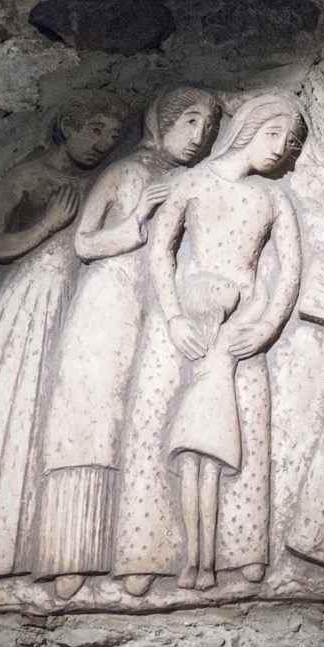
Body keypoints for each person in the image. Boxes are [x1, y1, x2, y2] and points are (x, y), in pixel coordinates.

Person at [33, 87, 221, 601]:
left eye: (207, 126)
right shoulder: (124, 173)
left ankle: (140, 556)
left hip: (159, 313)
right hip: (108, 307)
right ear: (161, 122)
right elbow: (83, 242)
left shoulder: (193, 182)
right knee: (90, 423)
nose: (199, 135)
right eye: (189, 121)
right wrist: (136, 220)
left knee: (148, 430)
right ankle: (69, 557)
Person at [0, 94, 126, 600]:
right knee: (10, 417)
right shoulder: (30, 176)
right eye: (95, 128)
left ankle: (58, 554)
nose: (104, 142)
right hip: (31, 302)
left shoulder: (101, 184)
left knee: (63, 428)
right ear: (68, 125)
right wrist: (47, 226)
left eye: (112, 134)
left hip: (81, 307)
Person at [148, 92, 305, 590]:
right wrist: (173, 317)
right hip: (192, 326)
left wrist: (267, 327)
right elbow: (160, 253)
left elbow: (290, 271)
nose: (282, 149)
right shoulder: (192, 183)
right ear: (249, 128)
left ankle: (244, 552)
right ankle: (164, 554)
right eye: (274, 134)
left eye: (292, 142)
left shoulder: (274, 197)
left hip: (246, 328)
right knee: (180, 436)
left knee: (251, 438)